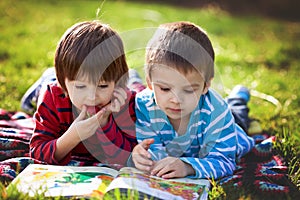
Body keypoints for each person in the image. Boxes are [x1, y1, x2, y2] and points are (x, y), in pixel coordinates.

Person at [131, 21, 255, 179]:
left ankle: (239, 97)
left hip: (231, 129)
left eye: (189, 90)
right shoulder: (143, 106)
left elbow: (224, 161)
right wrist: (145, 158)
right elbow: (153, 150)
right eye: (165, 89)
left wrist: (187, 166)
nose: (176, 100)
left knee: (237, 112)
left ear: (206, 85)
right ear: (149, 83)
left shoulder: (217, 112)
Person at [29, 20, 144, 166]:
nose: (91, 97)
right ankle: (48, 75)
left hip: (128, 86)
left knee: (136, 85)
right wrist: (73, 136)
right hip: (52, 81)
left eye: (102, 86)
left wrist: (106, 125)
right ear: (64, 83)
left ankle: (131, 76)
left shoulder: (123, 102)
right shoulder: (53, 97)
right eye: (80, 86)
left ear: (116, 83)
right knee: (36, 95)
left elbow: (129, 156)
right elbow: (37, 152)